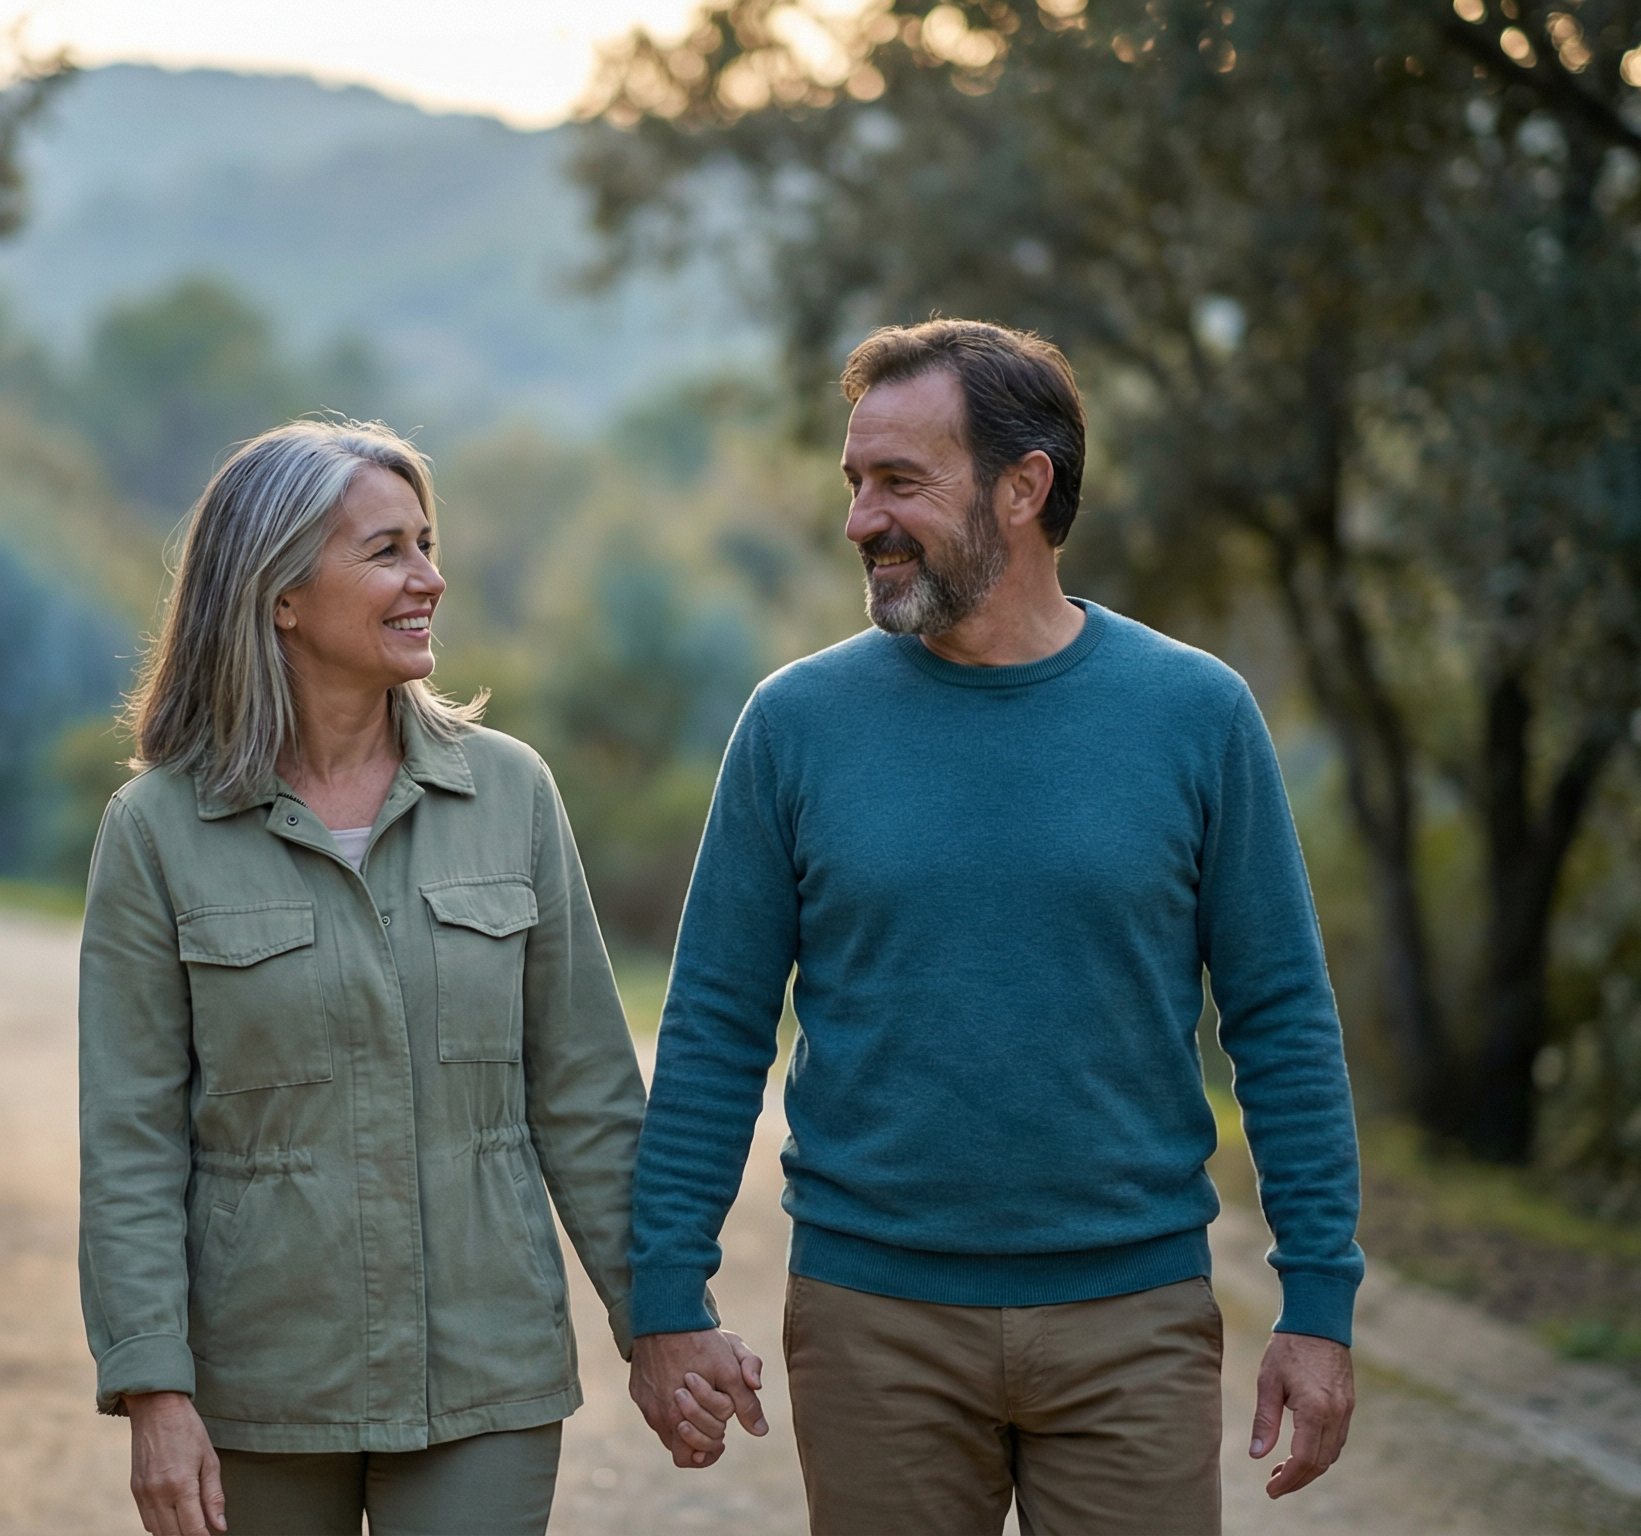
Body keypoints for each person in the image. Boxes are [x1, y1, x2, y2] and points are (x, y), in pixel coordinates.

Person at [624, 320, 1365, 1533]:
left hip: (1134, 1319)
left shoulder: (1194, 716)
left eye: (901, 482)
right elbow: (712, 1027)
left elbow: (1280, 1022)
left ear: (1025, 488)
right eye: (854, 483)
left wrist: (1318, 1304)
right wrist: (666, 1293)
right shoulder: (794, 725)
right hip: (873, 1322)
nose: (862, 517)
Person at [80, 420, 723, 1536]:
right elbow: (131, 1142)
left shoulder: (512, 794)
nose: (430, 578)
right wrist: (154, 1388)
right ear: (280, 594)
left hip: (486, 1373)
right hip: (260, 1385)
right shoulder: (155, 831)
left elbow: (585, 1098)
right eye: (386, 551)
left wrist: (662, 1323)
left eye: (425, 544)